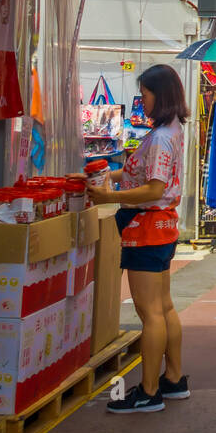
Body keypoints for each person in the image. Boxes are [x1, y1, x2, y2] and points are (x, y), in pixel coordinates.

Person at [87, 64, 189, 414]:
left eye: (144, 94)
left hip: (147, 226)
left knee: (150, 314)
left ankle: (148, 391)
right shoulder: (169, 131)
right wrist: (108, 175)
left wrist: (108, 197)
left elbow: (153, 187)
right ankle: (172, 379)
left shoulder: (160, 137)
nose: (140, 101)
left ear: (159, 95)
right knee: (164, 307)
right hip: (162, 226)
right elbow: (141, 174)